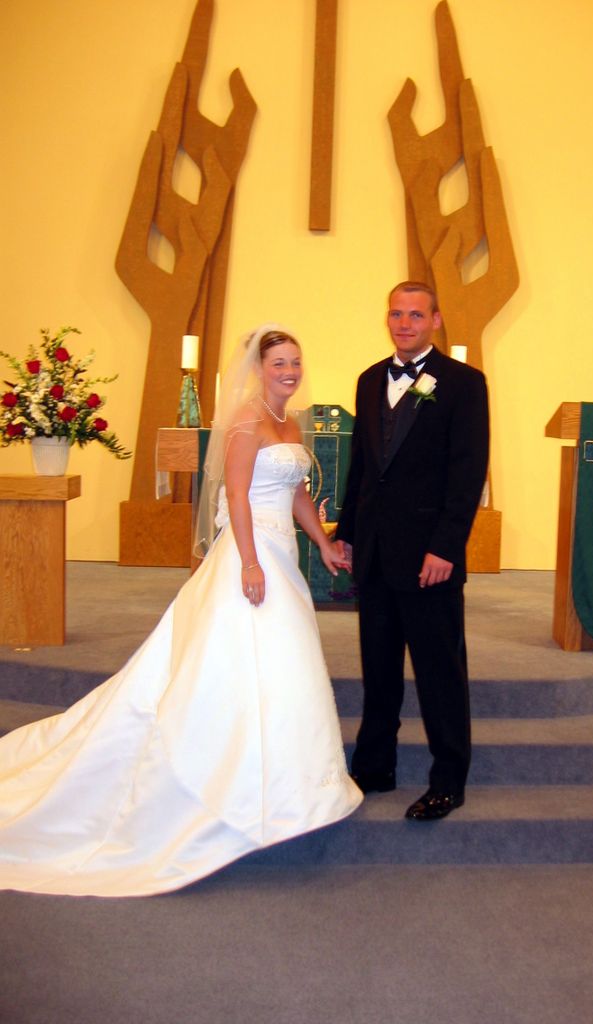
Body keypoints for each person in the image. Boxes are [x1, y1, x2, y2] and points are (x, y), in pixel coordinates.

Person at [0, 325, 362, 897]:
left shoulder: (292, 423)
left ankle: (291, 783)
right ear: (259, 368)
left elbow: (294, 491)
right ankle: (225, 783)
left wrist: (320, 541)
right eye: (278, 363)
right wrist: (248, 562)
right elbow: (237, 495)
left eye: (295, 361)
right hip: (252, 553)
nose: (289, 371)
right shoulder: (245, 420)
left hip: (283, 556)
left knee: (285, 667)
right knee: (240, 662)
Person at [334, 282, 489, 820]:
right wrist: (348, 531)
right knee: (378, 669)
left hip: (430, 556)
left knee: (439, 672)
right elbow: (362, 466)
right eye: (396, 313)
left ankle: (449, 780)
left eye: (415, 315)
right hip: (376, 551)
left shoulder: (465, 384)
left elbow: (468, 473)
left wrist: (446, 546)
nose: (404, 323)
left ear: (436, 321)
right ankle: (374, 767)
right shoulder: (370, 379)